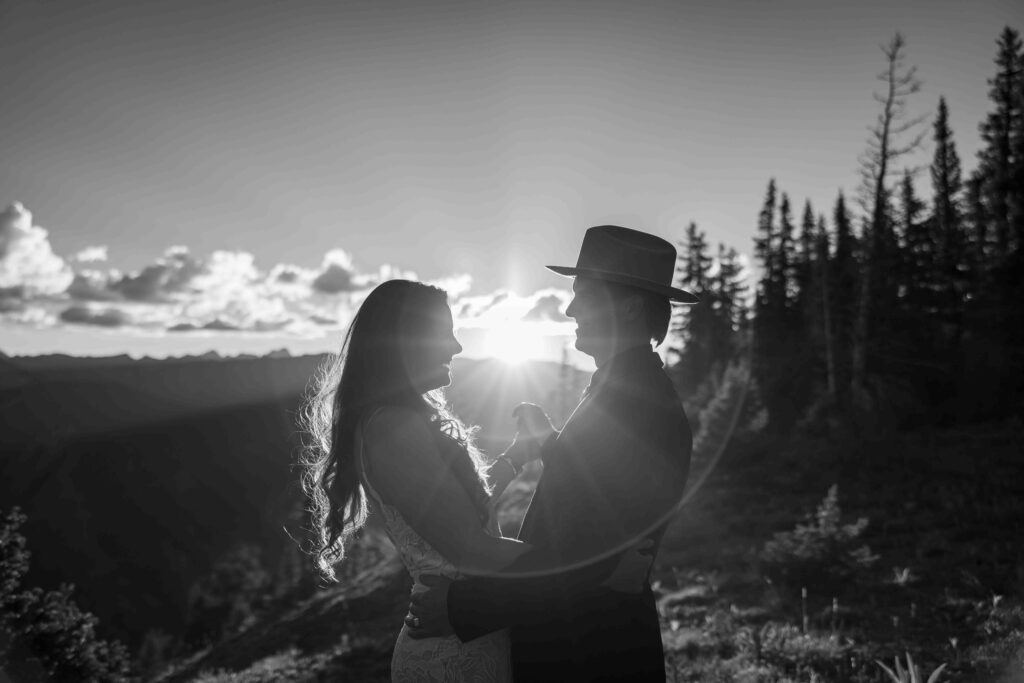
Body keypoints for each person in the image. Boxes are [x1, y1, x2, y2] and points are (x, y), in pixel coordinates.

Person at [298, 278, 650, 683]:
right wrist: (600, 570)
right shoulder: (393, 428)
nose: (456, 347)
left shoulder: (399, 420)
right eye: (444, 334)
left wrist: (517, 456)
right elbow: (471, 549)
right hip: (450, 651)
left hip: (469, 635)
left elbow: (460, 510)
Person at [406, 225, 697, 682]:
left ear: (630, 305)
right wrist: (548, 443)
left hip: (590, 651)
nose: (570, 308)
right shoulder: (624, 390)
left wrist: (463, 606)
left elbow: (590, 554)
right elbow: (599, 495)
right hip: (589, 640)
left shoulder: (636, 404)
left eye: (585, 294)